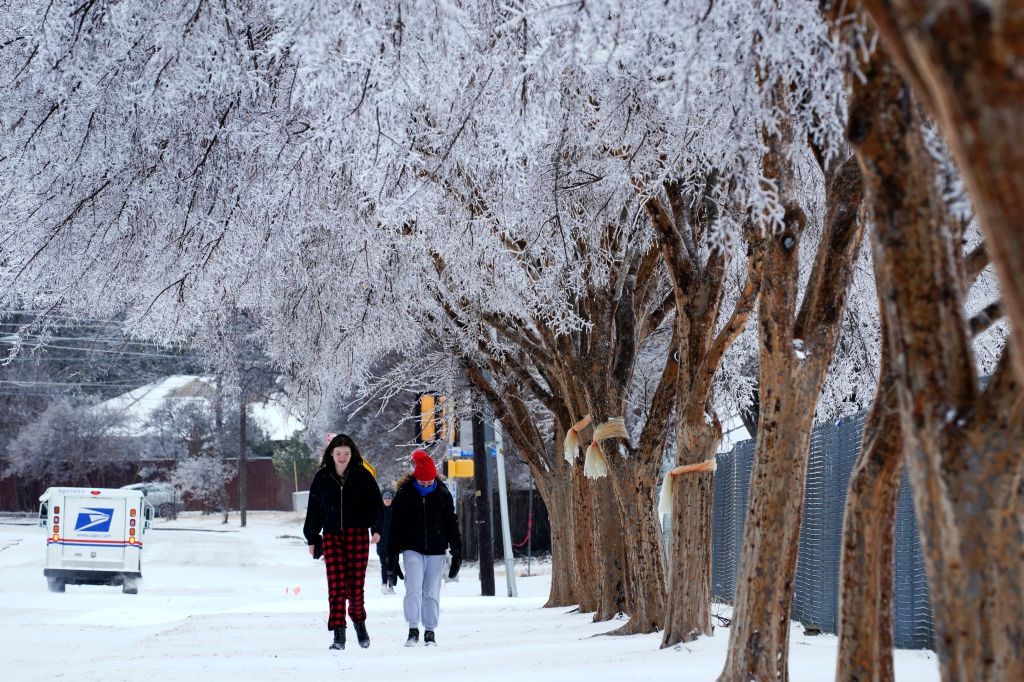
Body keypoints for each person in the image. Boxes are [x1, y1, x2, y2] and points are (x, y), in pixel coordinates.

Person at [303, 433, 383, 651]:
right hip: (331, 536)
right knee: (336, 587)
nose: (342, 457)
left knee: (355, 588)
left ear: (352, 454)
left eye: (346, 453)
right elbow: (314, 509)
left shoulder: (363, 476)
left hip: (357, 534)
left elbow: (376, 505)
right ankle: (339, 634)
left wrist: (376, 528)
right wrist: (312, 537)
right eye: (338, 453)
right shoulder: (322, 477)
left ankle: (359, 622)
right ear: (331, 453)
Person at [388, 449, 462, 647]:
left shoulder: (443, 494)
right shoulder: (404, 495)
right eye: (423, 482)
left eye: (431, 482)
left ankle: (430, 631)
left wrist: (457, 551)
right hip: (412, 547)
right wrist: (392, 556)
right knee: (413, 588)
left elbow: (451, 523)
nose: (428, 485)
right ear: (416, 479)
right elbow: (395, 525)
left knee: (431, 591)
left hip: (437, 550)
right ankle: (413, 629)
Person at [376, 488, 397, 594]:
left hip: (393, 543)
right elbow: (374, 526)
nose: (388, 500)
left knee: (393, 564)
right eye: (385, 498)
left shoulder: (395, 511)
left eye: (389, 498)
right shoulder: (379, 511)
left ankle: (391, 585)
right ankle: (384, 583)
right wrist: (375, 535)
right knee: (384, 564)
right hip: (382, 543)